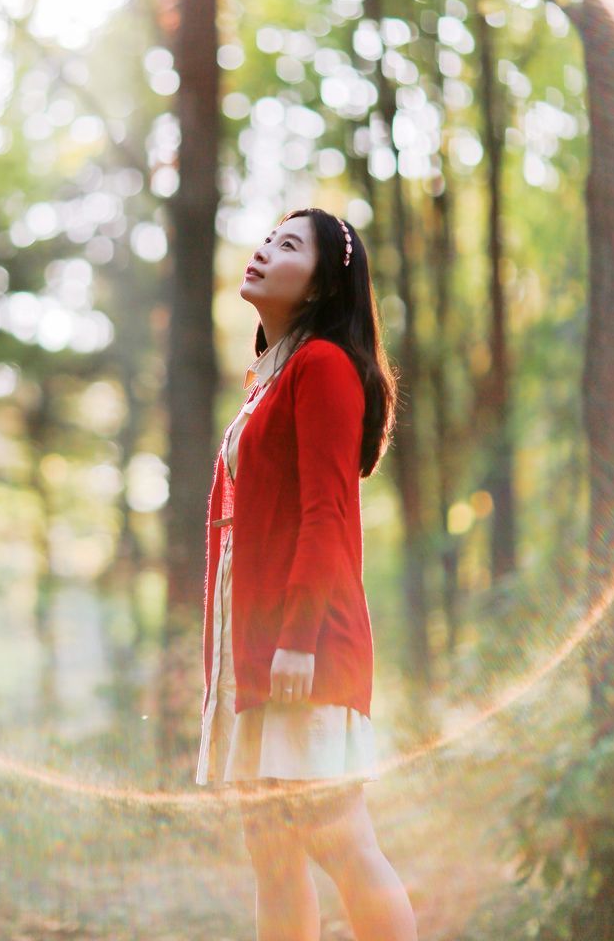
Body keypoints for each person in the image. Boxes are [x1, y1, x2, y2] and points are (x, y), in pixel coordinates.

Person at [196, 208, 418, 941]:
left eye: (287, 246)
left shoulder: (322, 364)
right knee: (271, 854)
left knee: (339, 839)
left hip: (304, 649)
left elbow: (328, 515)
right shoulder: (271, 374)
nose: (262, 251)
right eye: (266, 239)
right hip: (257, 651)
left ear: (324, 284)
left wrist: (295, 640)